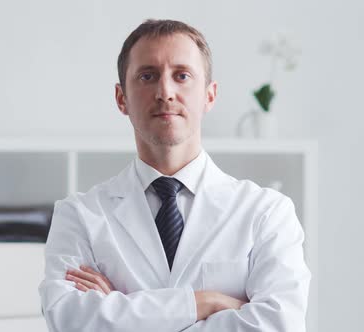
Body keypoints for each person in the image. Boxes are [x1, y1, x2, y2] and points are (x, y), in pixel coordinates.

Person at [38, 19, 310, 331]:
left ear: (210, 95)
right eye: (147, 76)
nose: (165, 91)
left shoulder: (267, 212)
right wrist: (205, 303)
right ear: (121, 98)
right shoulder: (79, 215)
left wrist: (121, 311)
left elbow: (279, 324)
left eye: (181, 76)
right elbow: (68, 318)